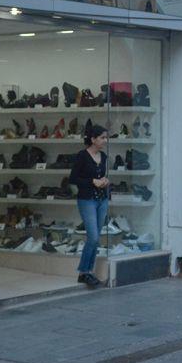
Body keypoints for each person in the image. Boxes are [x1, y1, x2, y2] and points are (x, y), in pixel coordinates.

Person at [67, 122, 111, 287]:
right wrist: (92, 181)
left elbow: (102, 176)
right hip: (87, 200)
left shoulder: (104, 157)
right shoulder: (82, 156)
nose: (105, 141)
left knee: (96, 238)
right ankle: (84, 272)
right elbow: (73, 179)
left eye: (106, 138)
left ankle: (87, 272)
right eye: (102, 138)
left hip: (102, 199)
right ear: (93, 139)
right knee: (93, 237)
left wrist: (105, 181)